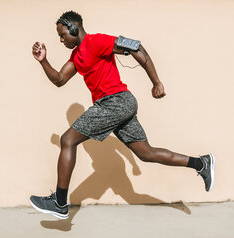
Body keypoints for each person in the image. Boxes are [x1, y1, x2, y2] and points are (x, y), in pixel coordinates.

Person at [30, 10, 214, 220]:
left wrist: (156, 82)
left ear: (74, 28)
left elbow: (135, 46)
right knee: (146, 153)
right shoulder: (77, 56)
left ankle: (59, 203)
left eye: (63, 34)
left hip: (115, 101)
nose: (61, 39)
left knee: (67, 140)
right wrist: (43, 61)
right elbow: (60, 79)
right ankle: (202, 163)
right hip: (118, 105)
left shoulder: (96, 41)